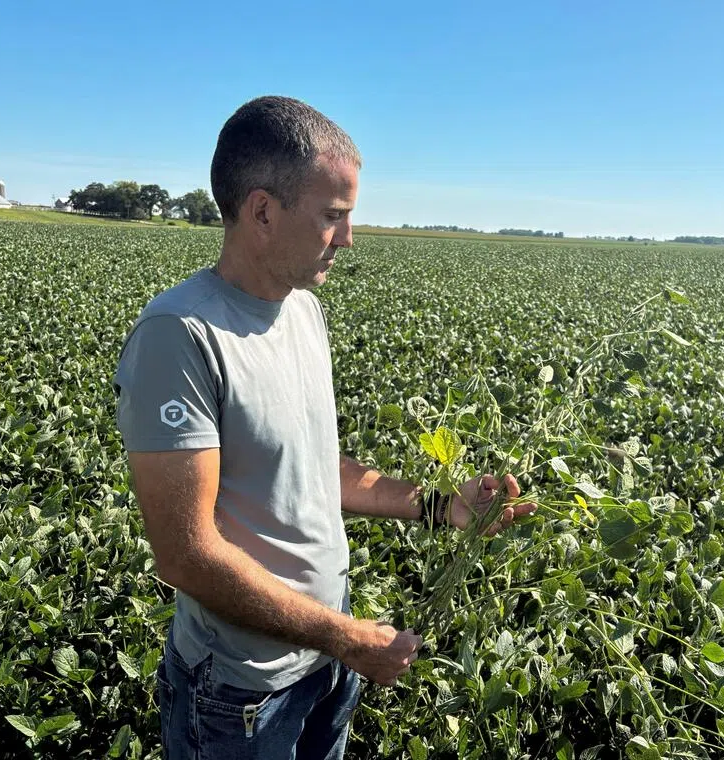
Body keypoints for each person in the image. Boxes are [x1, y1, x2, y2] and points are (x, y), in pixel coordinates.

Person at [113, 95, 535, 760]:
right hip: (239, 693)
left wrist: (442, 507)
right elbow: (185, 554)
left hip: (323, 663)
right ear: (262, 211)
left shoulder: (302, 311)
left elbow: (313, 472)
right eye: (334, 216)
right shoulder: (180, 335)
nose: (348, 238)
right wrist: (346, 637)